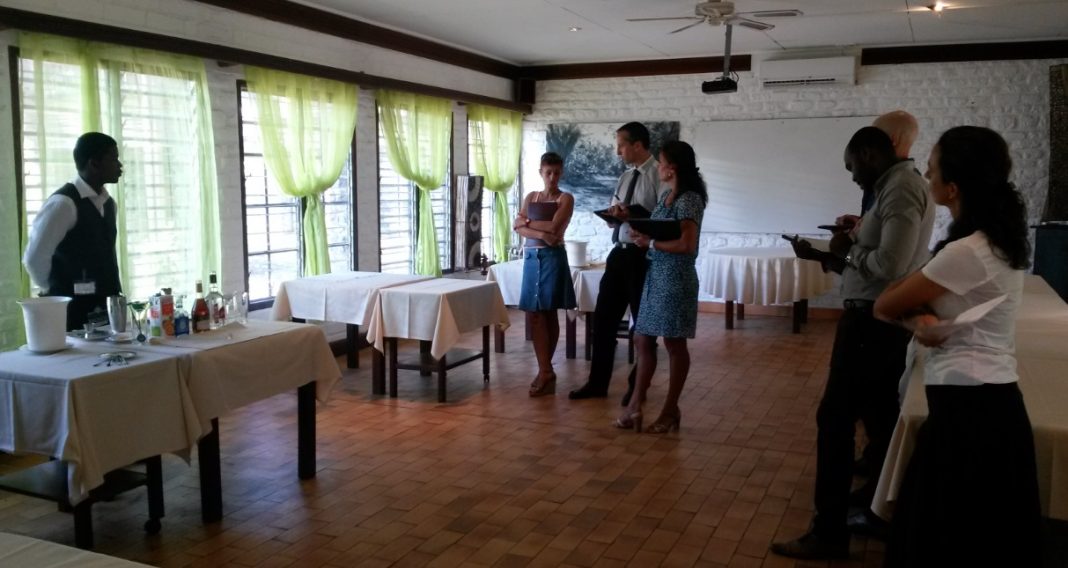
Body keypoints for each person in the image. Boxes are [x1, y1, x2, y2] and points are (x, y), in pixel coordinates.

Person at [873, 126, 1040, 567]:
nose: (926, 175)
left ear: (953, 187)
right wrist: (919, 317)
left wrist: (913, 315)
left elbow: (885, 303)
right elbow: (906, 302)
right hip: (988, 400)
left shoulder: (966, 251)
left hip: (970, 408)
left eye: (932, 169)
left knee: (945, 538)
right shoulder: (993, 240)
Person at [772, 126, 935, 560]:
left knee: (835, 420)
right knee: (879, 420)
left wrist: (845, 250)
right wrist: (832, 254)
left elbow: (890, 264)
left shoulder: (900, 189)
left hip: (872, 324)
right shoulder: (893, 188)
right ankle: (877, 512)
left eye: (851, 166)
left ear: (868, 154)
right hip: (877, 321)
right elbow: (876, 258)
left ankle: (829, 531)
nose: (852, 176)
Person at [569, 122, 666, 402]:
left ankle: (638, 388)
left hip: (643, 257)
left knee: (643, 326)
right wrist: (614, 214)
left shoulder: (658, 176)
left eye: (621, 145)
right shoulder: (625, 177)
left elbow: (662, 219)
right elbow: (618, 211)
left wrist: (633, 215)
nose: (617, 151)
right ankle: (597, 384)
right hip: (619, 253)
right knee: (603, 321)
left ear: (637, 145)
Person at [615, 140, 706, 434]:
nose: (659, 167)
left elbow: (687, 244)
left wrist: (651, 243)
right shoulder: (667, 195)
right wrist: (637, 227)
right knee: (642, 339)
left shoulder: (689, 200)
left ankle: (670, 410)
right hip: (656, 276)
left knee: (674, 344)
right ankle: (635, 405)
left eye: (662, 162)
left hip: (676, 278)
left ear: (672, 168)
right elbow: (657, 229)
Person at [23, 132, 124, 331]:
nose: (120, 165)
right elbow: (34, 257)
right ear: (94, 163)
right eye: (114, 159)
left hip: (104, 310)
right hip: (71, 313)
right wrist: (54, 293)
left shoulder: (109, 204)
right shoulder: (64, 204)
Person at [513, 152, 576, 396]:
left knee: (549, 312)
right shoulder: (531, 196)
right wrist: (540, 233)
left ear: (561, 173)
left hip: (553, 258)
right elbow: (517, 227)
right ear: (541, 172)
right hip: (532, 257)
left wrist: (527, 223)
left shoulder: (565, 198)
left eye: (556, 173)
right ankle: (546, 370)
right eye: (548, 172)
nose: (552, 177)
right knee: (535, 314)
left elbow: (554, 227)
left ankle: (545, 371)